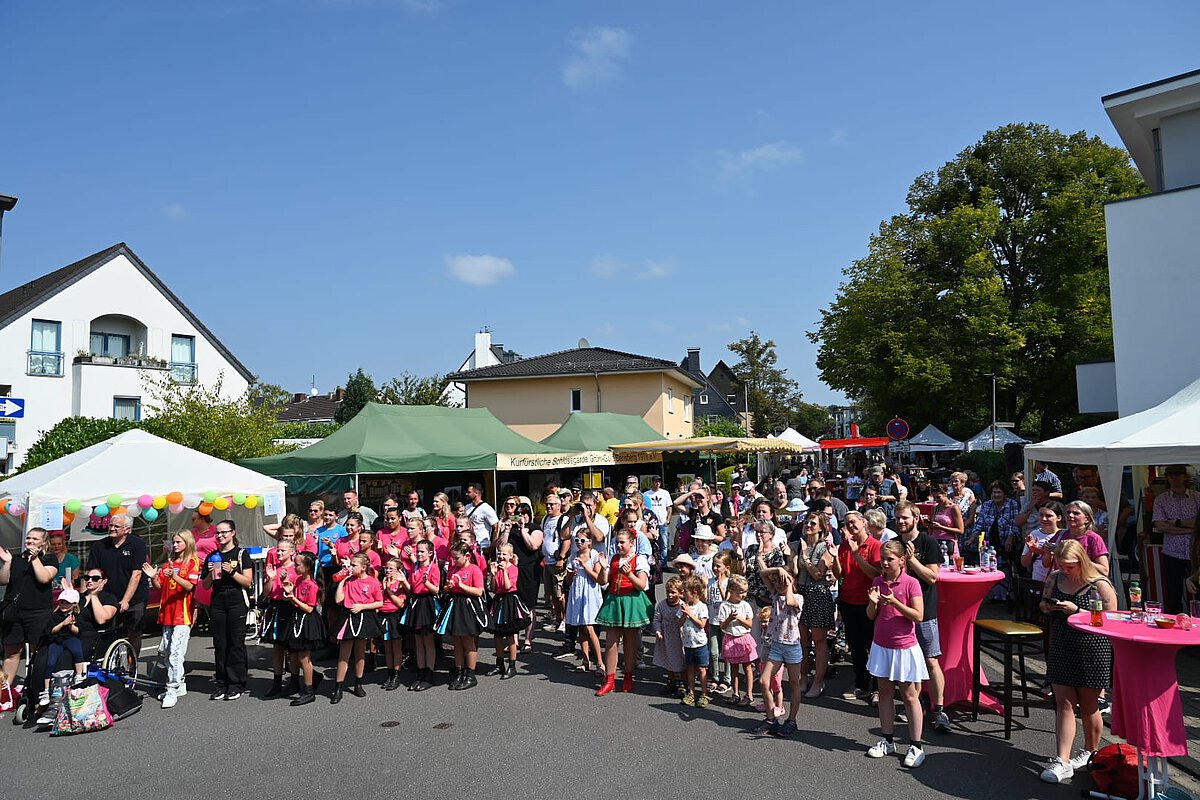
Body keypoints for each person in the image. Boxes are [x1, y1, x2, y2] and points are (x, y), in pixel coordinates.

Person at [1038, 540, 1116, 783]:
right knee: (1064, 703)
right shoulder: (1055, 578)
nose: (1065, 570)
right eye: (1061, 565)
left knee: (1089, 704)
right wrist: (1048, 607)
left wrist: (1077, 611)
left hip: (1092, 647)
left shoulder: (1099, 583)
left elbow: (1110, 618)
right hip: (1062, 643)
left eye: (1069, 566)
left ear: (1082, 561)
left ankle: (1090, 752)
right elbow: (1043, 603)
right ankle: (1062, 760)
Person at [865, 540, 930, 768]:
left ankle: (916, 746)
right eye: (882, 559)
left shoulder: (912, 583)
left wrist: (894, 602)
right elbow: (871, 616)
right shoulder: (877, 581)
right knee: (884, 693)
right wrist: (872, 603)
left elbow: (918, 616)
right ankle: (887, 740)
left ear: (902, 560)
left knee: (909, 695)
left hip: (904, 647)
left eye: (889, 559)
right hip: (881, 645)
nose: (884, 563)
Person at [893, 501, 950, 734]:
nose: (901, 522)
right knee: (908, 662)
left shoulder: (928, 542)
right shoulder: (894, 543)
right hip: (900, 611)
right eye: (898, 518)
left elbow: (933, 577)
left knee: (931, 660)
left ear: (916, 518)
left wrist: (912, 560)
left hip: (925, 611)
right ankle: (914, 703)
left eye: (905, 517)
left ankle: (940, 709)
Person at [142, 531, 200, 708]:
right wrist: (153, 576)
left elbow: (190, 586)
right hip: (167, 612)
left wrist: (174, 576)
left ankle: (171, 688)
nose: (175, 545)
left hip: (183, 613)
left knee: (175, 652)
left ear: (187, 543)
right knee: (168, 652)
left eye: (178, 542)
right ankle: (179, 683)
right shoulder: (169, 562)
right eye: (173, 542)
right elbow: (159, 586)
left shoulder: (192, 561)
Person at [594, 530, 653, 696]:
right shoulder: (614, 558)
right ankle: (609, 680)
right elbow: (603, 581)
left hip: (631, 601)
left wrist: (629, 574)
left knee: (629, 642)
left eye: (622, 542)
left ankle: (628, 678)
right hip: (614, 600)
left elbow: (641, 585)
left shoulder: (639, 559)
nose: (619, 545)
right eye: (617, 542)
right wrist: (603, 568)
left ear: (632, 543)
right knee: (611, 642)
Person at [202, 520, 253, 701]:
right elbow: (206, 585)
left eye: (224, 532)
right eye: (217, 533)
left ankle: (236, 684)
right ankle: (221, 684)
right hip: (217, 600)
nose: (220, 536)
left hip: (236, 599)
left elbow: (248, 582)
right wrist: (210, 573)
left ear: (233, 533)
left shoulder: (241, 554)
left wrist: (231, 572)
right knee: (220, 643)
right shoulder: (212, 556)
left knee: (235, 643)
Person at [835, 512, 883, 703]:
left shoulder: (875, 546)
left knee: (874, 646)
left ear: (864, 523)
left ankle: (878, 688)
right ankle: (861, 684)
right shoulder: (844, 545)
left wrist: (857, 555)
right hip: (848, 601)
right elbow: (840, 574)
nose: (850, 526)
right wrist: (834, 558)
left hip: (869, 603)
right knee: (855, 647)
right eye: (847, 523)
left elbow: (876, 574)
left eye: (853, 522)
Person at [86, 513, 149, 654]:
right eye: (111, 525)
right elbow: (91, 572)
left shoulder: (137, 544)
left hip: (135, 597)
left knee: (134, 631)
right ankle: (109, 662)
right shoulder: (99, 546)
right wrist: (86, 596)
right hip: (109, 596)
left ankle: (132, 662)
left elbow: (136, 574)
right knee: (108, 632)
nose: (112, 528)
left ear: (127, 530)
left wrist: (126, 600)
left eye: (116, 526)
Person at [753, 567, 805, 737]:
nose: (779, 584)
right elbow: (762, 574)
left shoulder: (798, 597)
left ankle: (792, 721)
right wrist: (779, 569)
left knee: (794, 684)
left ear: (792, 581)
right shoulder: (775, 595)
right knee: (763, 681)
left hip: (792, 647)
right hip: (776, 645)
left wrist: (788, 583)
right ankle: (771, 720)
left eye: (783, 580)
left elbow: (790, 602)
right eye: (776, 581)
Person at [0, 527, 57, 684]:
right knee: (11, 652)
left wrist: (35, 558)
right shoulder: (16, 558)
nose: (30, 541)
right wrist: (7, 563)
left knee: (38, 650)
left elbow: (44, 578)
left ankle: (37, 686)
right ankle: (5, 690)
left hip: (38, 611)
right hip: (13, 610)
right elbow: (3, 580)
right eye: (28, 538)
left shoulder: (49, 559)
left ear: (43, 543)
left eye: (35, 539)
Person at [792, 511, 835, 699]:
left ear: (821, 527)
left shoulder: (825, 547)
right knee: (801, 640)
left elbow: (818, 574)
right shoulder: (797, 544)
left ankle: (818, 681)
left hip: (818, 594)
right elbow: (793, 570)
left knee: (819, 641)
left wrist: (805, 556)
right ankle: (803, 677)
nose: (808, 525)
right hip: (801, 593)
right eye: (806, 522)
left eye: (813, 523)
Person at [330, 553, 384, 703]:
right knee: (344, 654)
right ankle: (338, 687)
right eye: (351, 564)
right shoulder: (349, 581)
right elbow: (338, 600)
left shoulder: (372, 582)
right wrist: (342, 581)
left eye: (354, 565)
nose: (351, 567)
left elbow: (379, 602)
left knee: (360, 653)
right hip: (348, 616)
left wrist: (362, 606)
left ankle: (358, 683)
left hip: (364, 616)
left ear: (364, 567)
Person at [435, 541, 487, 690]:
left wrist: (461, 586)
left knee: (468, 641)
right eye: (453, 558)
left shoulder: (474, 569)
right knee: (456, 641)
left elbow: (479, 591)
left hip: (468, 606)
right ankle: (459, 671)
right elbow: (446, 588)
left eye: (457, 558)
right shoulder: (453, 569)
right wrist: (449, 587)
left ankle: (470, 674)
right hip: (454, 604)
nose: (454, 561)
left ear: (467, 556)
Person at [1152, 464, 1199, 614]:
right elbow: (1160, 525)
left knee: (1198, 589)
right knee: (1173, 593)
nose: (1173, 477)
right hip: (1172, 552)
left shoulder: (1197, 497)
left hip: (1195, 552)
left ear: (1185, 477)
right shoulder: (1161, 499)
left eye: (1177, 474)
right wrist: (1191, 529)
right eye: (1170, 475)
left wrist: (1177, 522)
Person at [282, 552, 324, 706]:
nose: (294, 566)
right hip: (297, 618)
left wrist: (293, 598)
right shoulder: (299, 580)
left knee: (303, 657)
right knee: (293, 655)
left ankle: (309, 691)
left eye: (297, 564)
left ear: (307, 567)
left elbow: (309, 608)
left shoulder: (312, 585)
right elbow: (295, 602)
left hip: (307, 621)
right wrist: (289, 591)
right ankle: (296, 682)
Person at [485, 543, 530, 680]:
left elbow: (508, 586)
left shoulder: (513, 569)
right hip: (498, 600)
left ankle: (512, 665)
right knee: (497, 635)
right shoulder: (496, 568)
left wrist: (504, 571)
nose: (501, 556)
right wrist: (493, 575)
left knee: (510, 635)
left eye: (504, 554)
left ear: (510, 556)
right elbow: (493, 588)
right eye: (499, 553)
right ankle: (499, 664)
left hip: (510, 600)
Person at [400, 540, 441, 691]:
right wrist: (403, 580)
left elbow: (436, 590)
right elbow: (412, 588)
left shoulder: (434, 567)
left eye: (422, 551)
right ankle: (420, 672)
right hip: (416, 603)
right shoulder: (415, 566)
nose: (418, 554)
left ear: (430, 553)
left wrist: (426, 583)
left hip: (427, 603)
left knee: (428, 640)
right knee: (418, 640)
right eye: (417, 551)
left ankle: (429, 675)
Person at [259, 539, 298, 699]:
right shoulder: (273, 568)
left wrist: (287, 583)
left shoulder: (296, 569)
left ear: (292, 552)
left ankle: (294, 681)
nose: (279, 553)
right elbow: (266, 593)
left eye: (283, 550)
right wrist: (271, 578)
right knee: (277, 647)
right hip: (276, 608)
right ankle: (276, 682)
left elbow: (297, 592)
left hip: (291, 608)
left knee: (293, 649)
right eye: (278, 550)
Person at [564, 528, 606, 676]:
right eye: (577, 540)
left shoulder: (594, 555)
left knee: (589, 628)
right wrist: (570, 574)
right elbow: (568, 582)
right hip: (577, 593)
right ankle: (585, 660)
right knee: (581, 627)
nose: (579, 543)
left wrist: (584, 566)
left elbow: (598, 578)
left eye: (582, 540)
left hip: (590, 594)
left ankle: (600, 662)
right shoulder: (573, 556)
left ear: (589, 542)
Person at [39, 588, 87, 704]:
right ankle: (46, 690)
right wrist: (62, 624)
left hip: (70, 638)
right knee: (50, 662)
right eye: (61, 602)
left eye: (67, 602)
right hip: (56, 640)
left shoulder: (78, 616)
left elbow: (79, 631)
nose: (63, 605)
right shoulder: (55, 616)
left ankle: (79, 676)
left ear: (74, 604)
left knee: (77, 650)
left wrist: (70, 625)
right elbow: (50, 631)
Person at [717, 574, 757, 706]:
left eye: (745, 591)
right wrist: (729, 618)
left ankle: (749, 694)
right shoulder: (724, 606)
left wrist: (738, 618)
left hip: (743, 638)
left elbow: (749, 624)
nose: (744, 595)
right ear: (731, 591)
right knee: (734, 668)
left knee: (747, 667)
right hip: (730, 639)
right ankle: (735, 693)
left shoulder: (745, 605)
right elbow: (722, 625)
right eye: (740, 592)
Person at [1045, 501, 1110, 577]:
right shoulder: (1060, 534)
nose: (1070, 515)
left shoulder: (1093, 539)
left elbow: (1104, 571)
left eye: (1076, 513)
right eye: (1068, 512)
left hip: (1082, 581)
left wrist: (1080, 559)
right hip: (1060, 581)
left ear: (1087, 519)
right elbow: (1046, 564)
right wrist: (1048, 552)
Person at [677, 576, 710, 707]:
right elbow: (678, 623)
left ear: (694, 592)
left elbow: (702, 624)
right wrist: (684, 615)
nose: (683, 594)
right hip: (687, 643)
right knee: (690, 668)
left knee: (701, 669)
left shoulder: (702, 607)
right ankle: (691, 693)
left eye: (685, 591)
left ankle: (704, 694)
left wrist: (690, 614)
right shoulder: (683, 606)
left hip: (700, 644)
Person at [972, 480, 1020, 571]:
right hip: (990, 541)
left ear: (1004, 494)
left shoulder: (1012, 504)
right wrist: (972, 537)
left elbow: (1014, 523)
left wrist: (1010, 538)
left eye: (999, 492)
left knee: (1007, 569)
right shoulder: (987, 505)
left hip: (1007, 541)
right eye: (994, 492)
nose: (996, 495)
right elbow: (980, 523)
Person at [653, 576, 686, 696]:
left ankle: (682, 683)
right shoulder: (662, 605)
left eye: (673, 592)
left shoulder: (682, 606)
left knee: (680, 659)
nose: (670, 595)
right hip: (666, 636)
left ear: (680, 593)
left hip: (678, 637)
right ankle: (671, 681)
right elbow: (657, 619)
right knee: (668, 658)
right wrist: (658, 630)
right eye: (668, 592)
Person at [379, 557, 408, 691]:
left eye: (391, 568)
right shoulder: (382, 582)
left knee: (396, 647)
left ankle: (396, 674)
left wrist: (389, 591)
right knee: (387, 647)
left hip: (395, 616)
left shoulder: (400, 584)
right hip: (383, 615)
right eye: (386, 568)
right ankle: (389, 672)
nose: (387, 570)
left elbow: (400, 603)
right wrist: (382, 589)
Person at [1021, 502, 1064, 583]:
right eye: (1041, 515)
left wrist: (1042, 551)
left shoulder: (1063, 535)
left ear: (1058, 518)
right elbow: (1024, 563)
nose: (1044, 519)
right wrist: (1031, 551)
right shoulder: (1034, 534)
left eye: (1049, 516)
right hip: (1038, 580)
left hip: (1058, 581)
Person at [926, 487, 965, 559]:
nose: (936, 500)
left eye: (938, 497)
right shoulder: (935, 508)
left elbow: (961, 530)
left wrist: (941, 527)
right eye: (934, 498)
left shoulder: (954, 508)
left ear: (945, 494)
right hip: (935, 543)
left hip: (949, 544)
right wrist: (928, 524)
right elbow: (932, 526)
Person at [463, 482, 498, 550]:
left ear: (476, 493)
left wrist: (492, 546)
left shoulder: (486, 508)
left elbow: (496, 527)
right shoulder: (467, 507)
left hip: (482, 545)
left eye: (469, 492)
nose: (466, 494)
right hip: (468, 545)